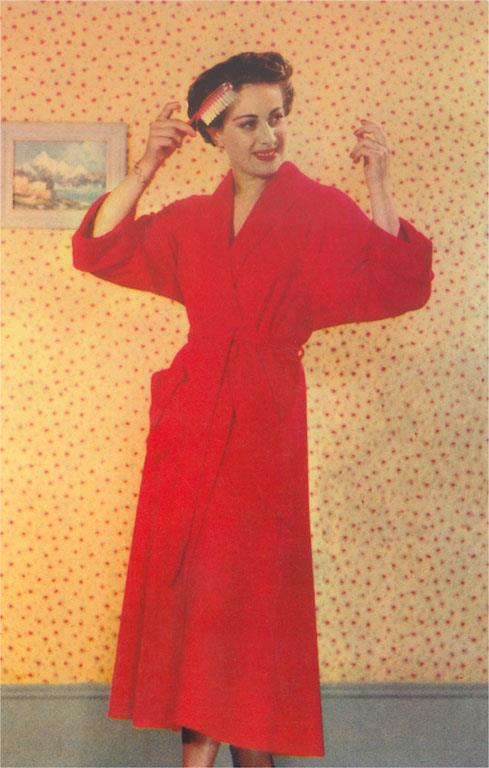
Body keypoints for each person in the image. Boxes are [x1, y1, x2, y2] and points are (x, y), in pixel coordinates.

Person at [71, 52, 434, 768]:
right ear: (214, 134)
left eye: (276, 118)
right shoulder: (190, 221)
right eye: (247, 124)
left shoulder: (317, 209)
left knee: (249, 615)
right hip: (189, 426)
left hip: (264, 427)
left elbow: (396, 279)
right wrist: (147, 166)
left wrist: (379, 183)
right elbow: (100, 248)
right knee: (197, 612)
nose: (268, 136)